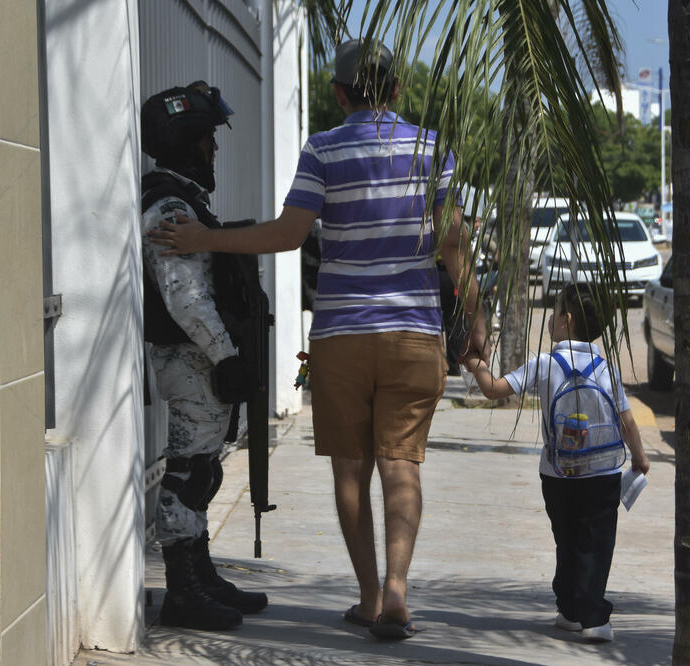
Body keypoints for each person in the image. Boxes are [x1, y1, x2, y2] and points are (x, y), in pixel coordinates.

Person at [147, 39, 488, 639]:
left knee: (351, 470)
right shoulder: (433, 150)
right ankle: (397, 592)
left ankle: (365, 597)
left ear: (338, 94)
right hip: (415, 335)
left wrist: (207, 239)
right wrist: (477, 320)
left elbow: (288, 234)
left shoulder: (323, 149)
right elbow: (454, 239)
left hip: (342, 338)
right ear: (398, 89)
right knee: (402, 466)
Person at [139, 81, 268, 631]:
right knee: (188, 474)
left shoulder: (185, 199)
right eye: (208, 138)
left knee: (205, 472)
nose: (215, 149)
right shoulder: (169, 206)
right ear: (184, 140)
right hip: (191, 360)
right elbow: (185, 297)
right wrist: (225, 357)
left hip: (200, 361)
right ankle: (182, 591)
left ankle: (200, 571)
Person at [463, 285, 649, 643]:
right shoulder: (605, 367)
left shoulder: (544, 364)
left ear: (567, 319)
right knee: (596, 543)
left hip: (558, 475)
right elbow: (626, 420)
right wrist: (639, 457)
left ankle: (569, 609)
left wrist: (473, 361)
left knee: (566, 540)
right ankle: (592, 616)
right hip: (604, 472)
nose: (550, 317)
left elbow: (493, 389)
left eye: (555, 309)